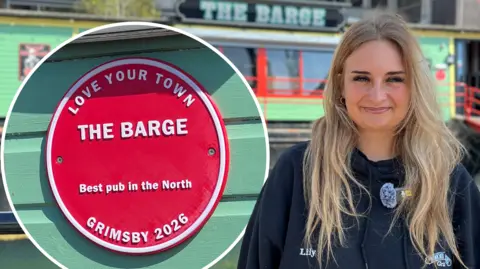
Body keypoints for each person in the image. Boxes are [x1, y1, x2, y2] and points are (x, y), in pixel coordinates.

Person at [237, 12, 480, 269]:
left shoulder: (449, 183)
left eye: (394, 79)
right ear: (341, 84)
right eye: (361, 78)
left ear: (414, 87)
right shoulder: (296, 173)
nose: (377, 95)